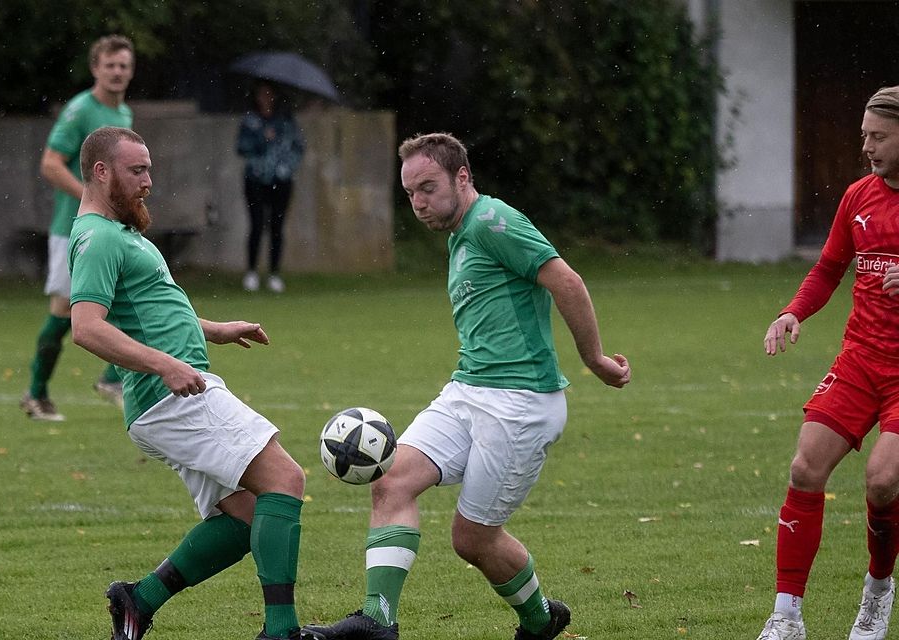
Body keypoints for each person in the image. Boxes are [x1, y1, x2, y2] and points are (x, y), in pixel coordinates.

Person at [301, 133, 631, 640]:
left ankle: (539, 619)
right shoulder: (461, 232)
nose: (419, 202)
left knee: (472, 539)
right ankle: (377, 619)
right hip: (467, 391)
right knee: (390, 480)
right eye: (410, 192)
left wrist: (596, 360)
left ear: (462, 178)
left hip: (520, 403)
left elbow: (567, 281)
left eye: (428, 188)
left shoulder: (494, 222)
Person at [68, 126, 306, 640]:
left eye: (149, 169)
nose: (149, 181)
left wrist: (214, 330)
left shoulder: (119, 231)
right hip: (171, 395)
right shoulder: (98, 237)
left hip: (172, 393)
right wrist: (163, 364)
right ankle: (281, 631)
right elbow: (86, 327)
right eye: (137, 171)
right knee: (285, 481)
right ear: (101, 172)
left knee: (246, 517)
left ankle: (139, 599)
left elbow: (151, 311)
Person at [758, 85, 899, 640]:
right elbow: (828, 269)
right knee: (803, 469)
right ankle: (787, 616)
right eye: (865, 135)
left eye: (879, 136)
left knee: (883, 482)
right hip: (861, 359)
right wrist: (793, 312)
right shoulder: (858, 197)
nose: (867, 146)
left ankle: (878, 592)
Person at [21, 34, 135, 421]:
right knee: (65, 310)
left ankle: (112, 377)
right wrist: (93, 198)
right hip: (74, 228)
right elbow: (51, 164)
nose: (118, 72)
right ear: (95, 69)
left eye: (124, 65)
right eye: (110, 65)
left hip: (107, 227)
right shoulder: (80, 111)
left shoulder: (124, 115)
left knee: (128, 296)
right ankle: (36, 394)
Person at [236, 81, 305, 293]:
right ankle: (251, 272)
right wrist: (261, 139)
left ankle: (274, 273)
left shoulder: (286, 121)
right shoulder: (250, 121)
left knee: (277, 227)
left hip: (281, 180)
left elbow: (298, 148)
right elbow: (241, 147)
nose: (265, 98)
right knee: (256, 225)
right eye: (261, 94)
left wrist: (286, 167)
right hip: (255, 179)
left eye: (269, 94)